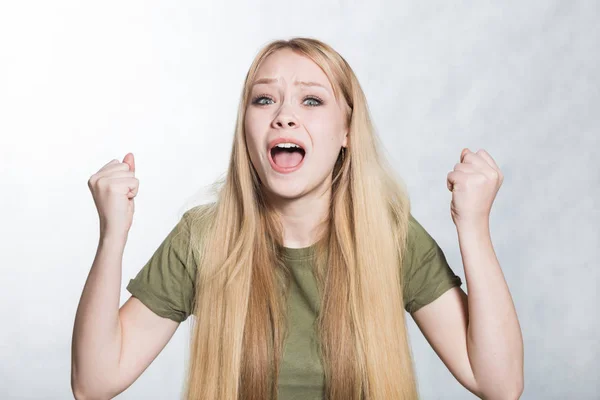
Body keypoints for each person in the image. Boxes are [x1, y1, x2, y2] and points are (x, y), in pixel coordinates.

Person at [72, 37, 523, 400]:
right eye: (264, 99)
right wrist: (112, 236)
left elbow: (499, 385)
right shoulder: (202, 238)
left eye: (311, 101)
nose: (284, 116)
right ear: (245, 128)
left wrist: (474, 227)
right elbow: (94, 384)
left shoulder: (390, 237)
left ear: (347, 130)